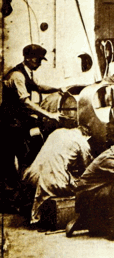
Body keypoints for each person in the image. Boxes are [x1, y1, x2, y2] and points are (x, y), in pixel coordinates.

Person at [0, 44, 63, 209]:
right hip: (9, 124)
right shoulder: (17, 76)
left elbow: (39, 87)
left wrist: (58, 89)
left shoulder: (28, 73)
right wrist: (49, 115)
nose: (40, 63)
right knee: (9, 163)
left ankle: (21, 197)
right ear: (28, 58)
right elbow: (26, 102)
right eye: (38, 59)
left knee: (25, 158)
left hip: (18, 123)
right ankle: (10, 202)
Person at [22, 125, 92, 224]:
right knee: (84, 188)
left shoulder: (57, 132)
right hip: (52, 183)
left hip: (31, 176)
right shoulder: (82, 141)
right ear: (86, 136)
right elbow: (88, 168)